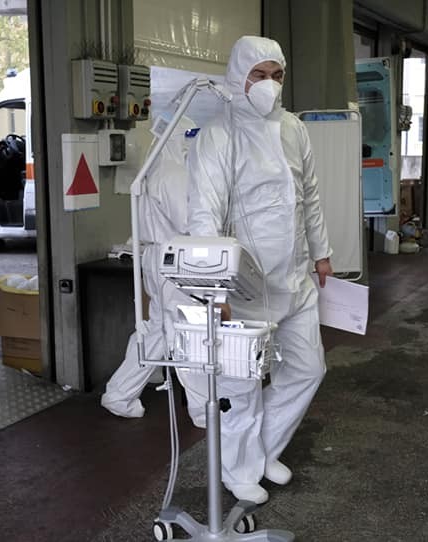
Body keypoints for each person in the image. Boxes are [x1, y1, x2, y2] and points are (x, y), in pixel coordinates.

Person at [187, 36, 333, 504]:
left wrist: (322, 253)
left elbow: (309, 197)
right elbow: (204, 216)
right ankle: (239, 469)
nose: (269, 84)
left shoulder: (294, 129)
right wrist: (214, 288)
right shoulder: (218, 135)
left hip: (294, 276)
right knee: (242, 383)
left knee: (308, 368)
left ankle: (263, 450)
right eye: (259, 74)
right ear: (238, 76)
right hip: (244, 285)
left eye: (277, 75)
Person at [101, 115, 206, 427]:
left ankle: (119, 394)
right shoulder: (174, 173)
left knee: (158, 330)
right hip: (175, 259)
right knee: (188, 334)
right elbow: (190, 222)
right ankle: (203, 410)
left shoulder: (155, 167)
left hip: (157, 259)